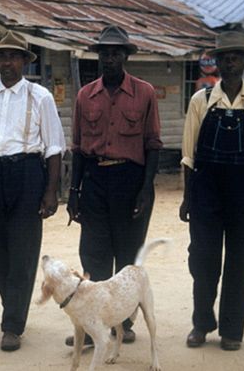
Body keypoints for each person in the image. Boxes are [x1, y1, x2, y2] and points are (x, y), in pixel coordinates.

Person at [0, 30, 65, 352]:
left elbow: (53, 147)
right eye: (1, 57)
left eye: (13, 56)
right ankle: (14, 303)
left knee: (23, 250)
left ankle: (12, 325)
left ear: (24, 60)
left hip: (26, 173)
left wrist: (51, 191)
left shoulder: (40, 97)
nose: (6, 62)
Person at [179, 31, 244, 351]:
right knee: (203, 259)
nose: (229, 61)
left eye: (236, 55)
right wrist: (187, 197)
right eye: (223, 56)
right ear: (216, 62)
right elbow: (188, 154)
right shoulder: (201, 100)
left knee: (241, 261)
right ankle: (201, 324)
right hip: (206, 188)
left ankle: (233, 330)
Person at [66, 25, 162, 346]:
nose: (109, 58)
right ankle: (98, 325)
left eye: (116, 52)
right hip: (94, 180)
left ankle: (124, 323)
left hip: (130, 180)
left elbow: (153, 144)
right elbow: (78, 149)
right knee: (93, 253)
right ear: (99, 56)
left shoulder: (145, 93)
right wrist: (74, 192)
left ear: (125, 56)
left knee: (127, 256)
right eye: (104, 52)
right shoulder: (84, 95)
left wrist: (147, 189)